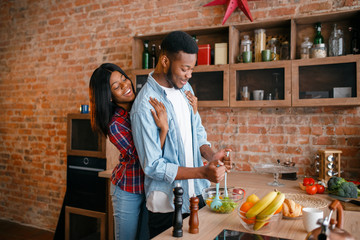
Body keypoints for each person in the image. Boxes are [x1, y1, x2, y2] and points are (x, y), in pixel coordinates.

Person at [130, 31, 231, 238]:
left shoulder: (186, 89)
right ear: (165, 60)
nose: (189, 75)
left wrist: (211, 156)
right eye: (185, 69)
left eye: (192, 69)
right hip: (167, 205)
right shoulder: (144, 105)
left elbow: (198, 132)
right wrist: (202, 172)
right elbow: (153, 166)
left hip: (197, 195)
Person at [88, 63, 169, 240]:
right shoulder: (115, 125)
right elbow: (146, 156)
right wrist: (163, 129)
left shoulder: (139, 107)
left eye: (124, 79)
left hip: (148, 186)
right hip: (128, 189)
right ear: (108, 96)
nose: (126, 86)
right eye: (117, 87)